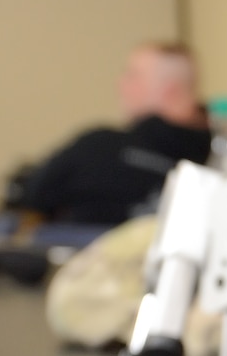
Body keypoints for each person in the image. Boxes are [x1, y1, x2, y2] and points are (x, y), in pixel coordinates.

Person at [17, 42, 210, 225]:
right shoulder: (221, 152)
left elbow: (29, 194)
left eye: (133, 76)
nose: (121, 84)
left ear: (171, 91)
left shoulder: (99, 149)